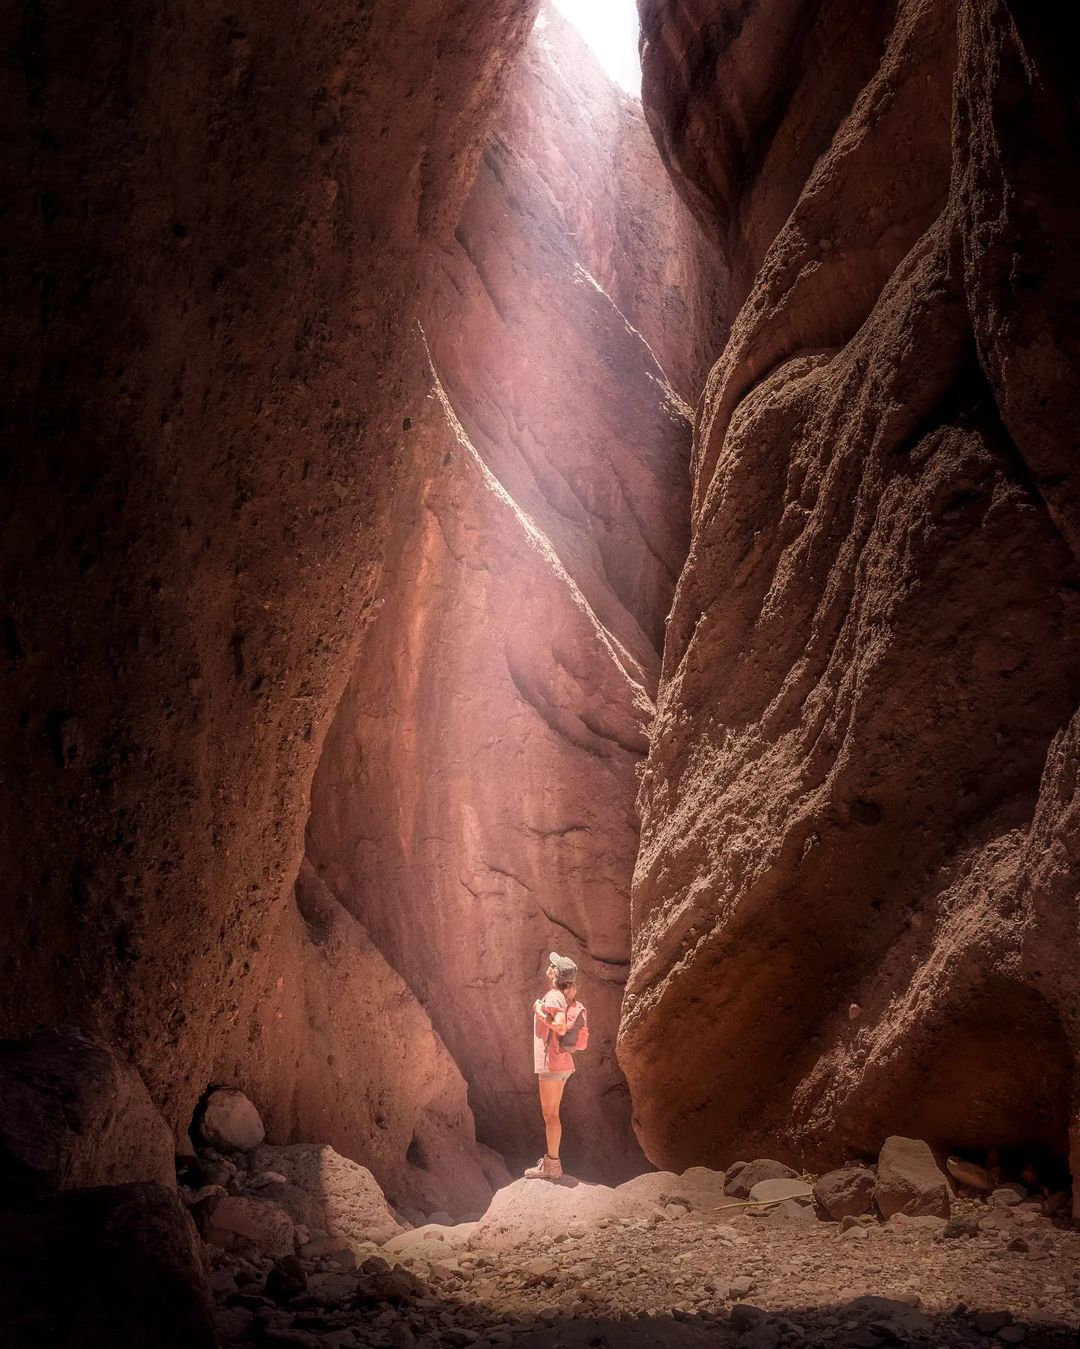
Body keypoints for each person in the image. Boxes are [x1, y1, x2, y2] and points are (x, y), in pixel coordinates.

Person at [524, 951, 579, 1180]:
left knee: (550, 1116)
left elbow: (560, 1026)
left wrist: (539, 1012)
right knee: (552, 1114)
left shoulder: (555, 995)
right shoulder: (561, 995)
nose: (550, 965)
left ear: (555, 974)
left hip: (552, 1063)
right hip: (561, 1062)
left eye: (553, 965)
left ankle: (552, 1166)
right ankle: (551, 1162)